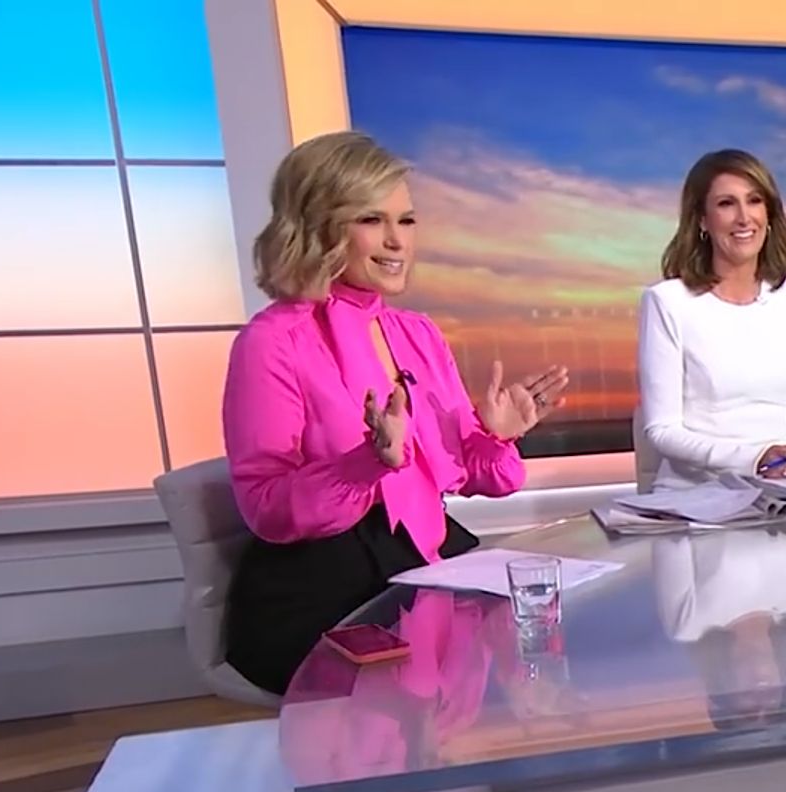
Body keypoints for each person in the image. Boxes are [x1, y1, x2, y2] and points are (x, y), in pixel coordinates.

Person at [222, 131, 568, 696]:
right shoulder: (272, 341)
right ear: (320, 226)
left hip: (416, 554)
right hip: (321, 582)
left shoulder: (418, 333)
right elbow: (266, 507)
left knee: (538, 636)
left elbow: (470, 475)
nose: (396, 241)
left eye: (406, 221)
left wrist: (496, 437)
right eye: (371, 220)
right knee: (436, 684)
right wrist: (364, 465)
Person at [637, 149, 786, 490]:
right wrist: (756, 459)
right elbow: (663, 431)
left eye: (754, 201)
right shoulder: (668, 301)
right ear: (702, 220)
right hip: (698, 497)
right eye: (726, 204)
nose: (744, 218)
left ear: (769, 213)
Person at [654, 527, 786, 730]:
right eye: (771, 706)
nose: (761, 700)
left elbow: (668, 533)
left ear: (722, 689)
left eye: (748, 709)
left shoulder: (688, 624)